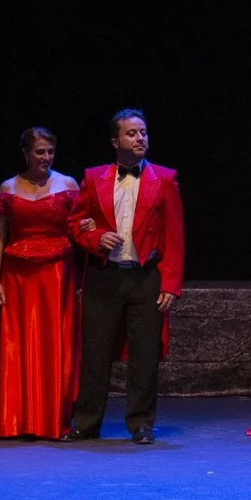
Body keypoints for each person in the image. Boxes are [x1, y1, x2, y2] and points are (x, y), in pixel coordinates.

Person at [66, 108, 185, 443]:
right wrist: (95, 238)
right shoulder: (93, 178)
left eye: (143, 132)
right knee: (95, 352)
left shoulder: (164, 179)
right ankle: (87, 422)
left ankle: (141, 423)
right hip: (105, 276)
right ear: (115, 141)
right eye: (132, 133)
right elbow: (75, 223)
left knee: (145, 354)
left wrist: (171, 284)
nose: (140, 138)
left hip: (145, 276)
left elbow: (175, 236)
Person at [0, 127, 80, 440]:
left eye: (50, 152)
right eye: (39, 152)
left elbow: (81, 226)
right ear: (26, 153)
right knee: (16, 344)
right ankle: (13, 418)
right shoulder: (8, 187)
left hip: (57, 275)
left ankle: (51, 419)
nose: (45, 158)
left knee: (52, 343)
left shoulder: (68, 184)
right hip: (17, 277)